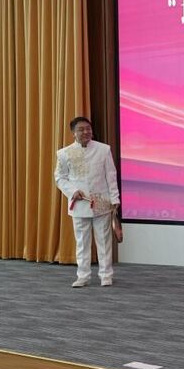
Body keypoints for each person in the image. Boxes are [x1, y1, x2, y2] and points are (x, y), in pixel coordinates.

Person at [55, 117, 121, 288]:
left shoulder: (103, 149)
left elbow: (111, 176)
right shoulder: (64, 153)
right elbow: (60, 178)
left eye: (88, 128)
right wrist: (72, 191)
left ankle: (106, 275)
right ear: (73, 133)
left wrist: (115, 199)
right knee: (82, 242)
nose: (86, 132)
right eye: (81, 129)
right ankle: (83, 275)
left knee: (104, 240)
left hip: (102, 201)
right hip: (79, 203)